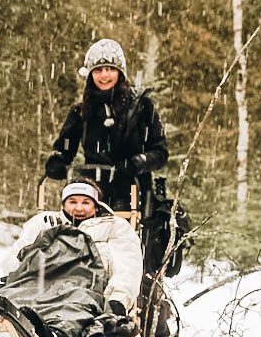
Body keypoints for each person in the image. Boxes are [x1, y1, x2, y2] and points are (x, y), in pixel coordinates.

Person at [0, 178, 143, 337]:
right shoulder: (44, 223)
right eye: (72, 201)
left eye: (86, 202)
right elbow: (13, 263)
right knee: (7, 301)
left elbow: (128, 266)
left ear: (96, 204)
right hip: (37, 285)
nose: (79, 208)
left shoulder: (113, 226)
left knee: (74, 307)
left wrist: (118, 300)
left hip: (84, 288)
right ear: (63, 203)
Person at [44, 38, 168, 211]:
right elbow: (64, 148)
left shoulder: (141, 107)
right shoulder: (81, 112)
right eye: (98, 70)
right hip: (93, 196)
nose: (104, 75)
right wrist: (57, 162)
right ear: (90, 74)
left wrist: (136, 163)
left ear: (120, 73)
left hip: (135, 196)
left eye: (110, 69)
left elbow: (160, 152)